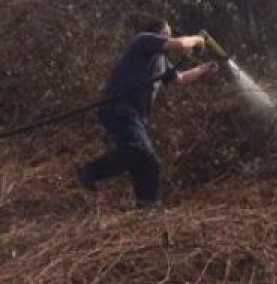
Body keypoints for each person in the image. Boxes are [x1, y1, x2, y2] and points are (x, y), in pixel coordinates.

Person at [76, 19, 216, 208]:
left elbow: (181, 78)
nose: (170, 36)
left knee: (149, 162)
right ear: (156, 33)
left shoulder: (162, 61)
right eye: (167, 32)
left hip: (136, 117)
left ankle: (147, 207)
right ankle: (90, 171)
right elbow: (181, 44)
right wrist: (199, 39)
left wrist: (204, 69)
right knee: (139, 150)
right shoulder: (143, 41)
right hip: (118, 108)